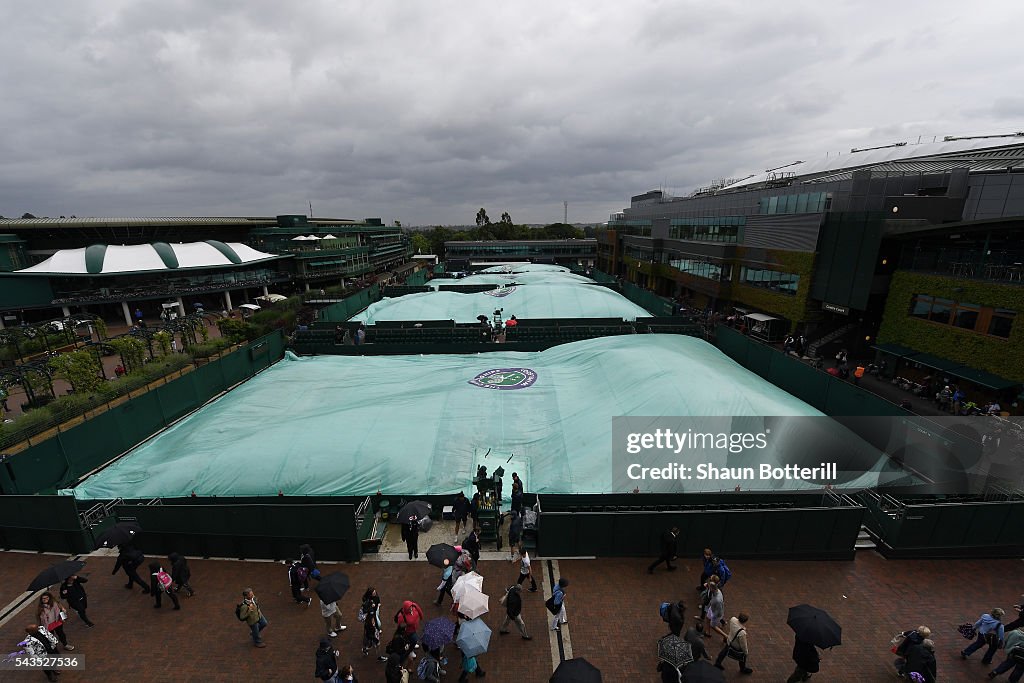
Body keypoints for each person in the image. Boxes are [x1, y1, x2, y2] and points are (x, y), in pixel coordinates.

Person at [361, 588, 384, 660]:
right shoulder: (366, 609)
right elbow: (361, 618)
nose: (375, 593)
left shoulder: (373, 612)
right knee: (369, 640)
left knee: (376, 642)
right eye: (373, 592)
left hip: (374, 627)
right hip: (369, 627)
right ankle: (366, 649)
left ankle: (378, 655)